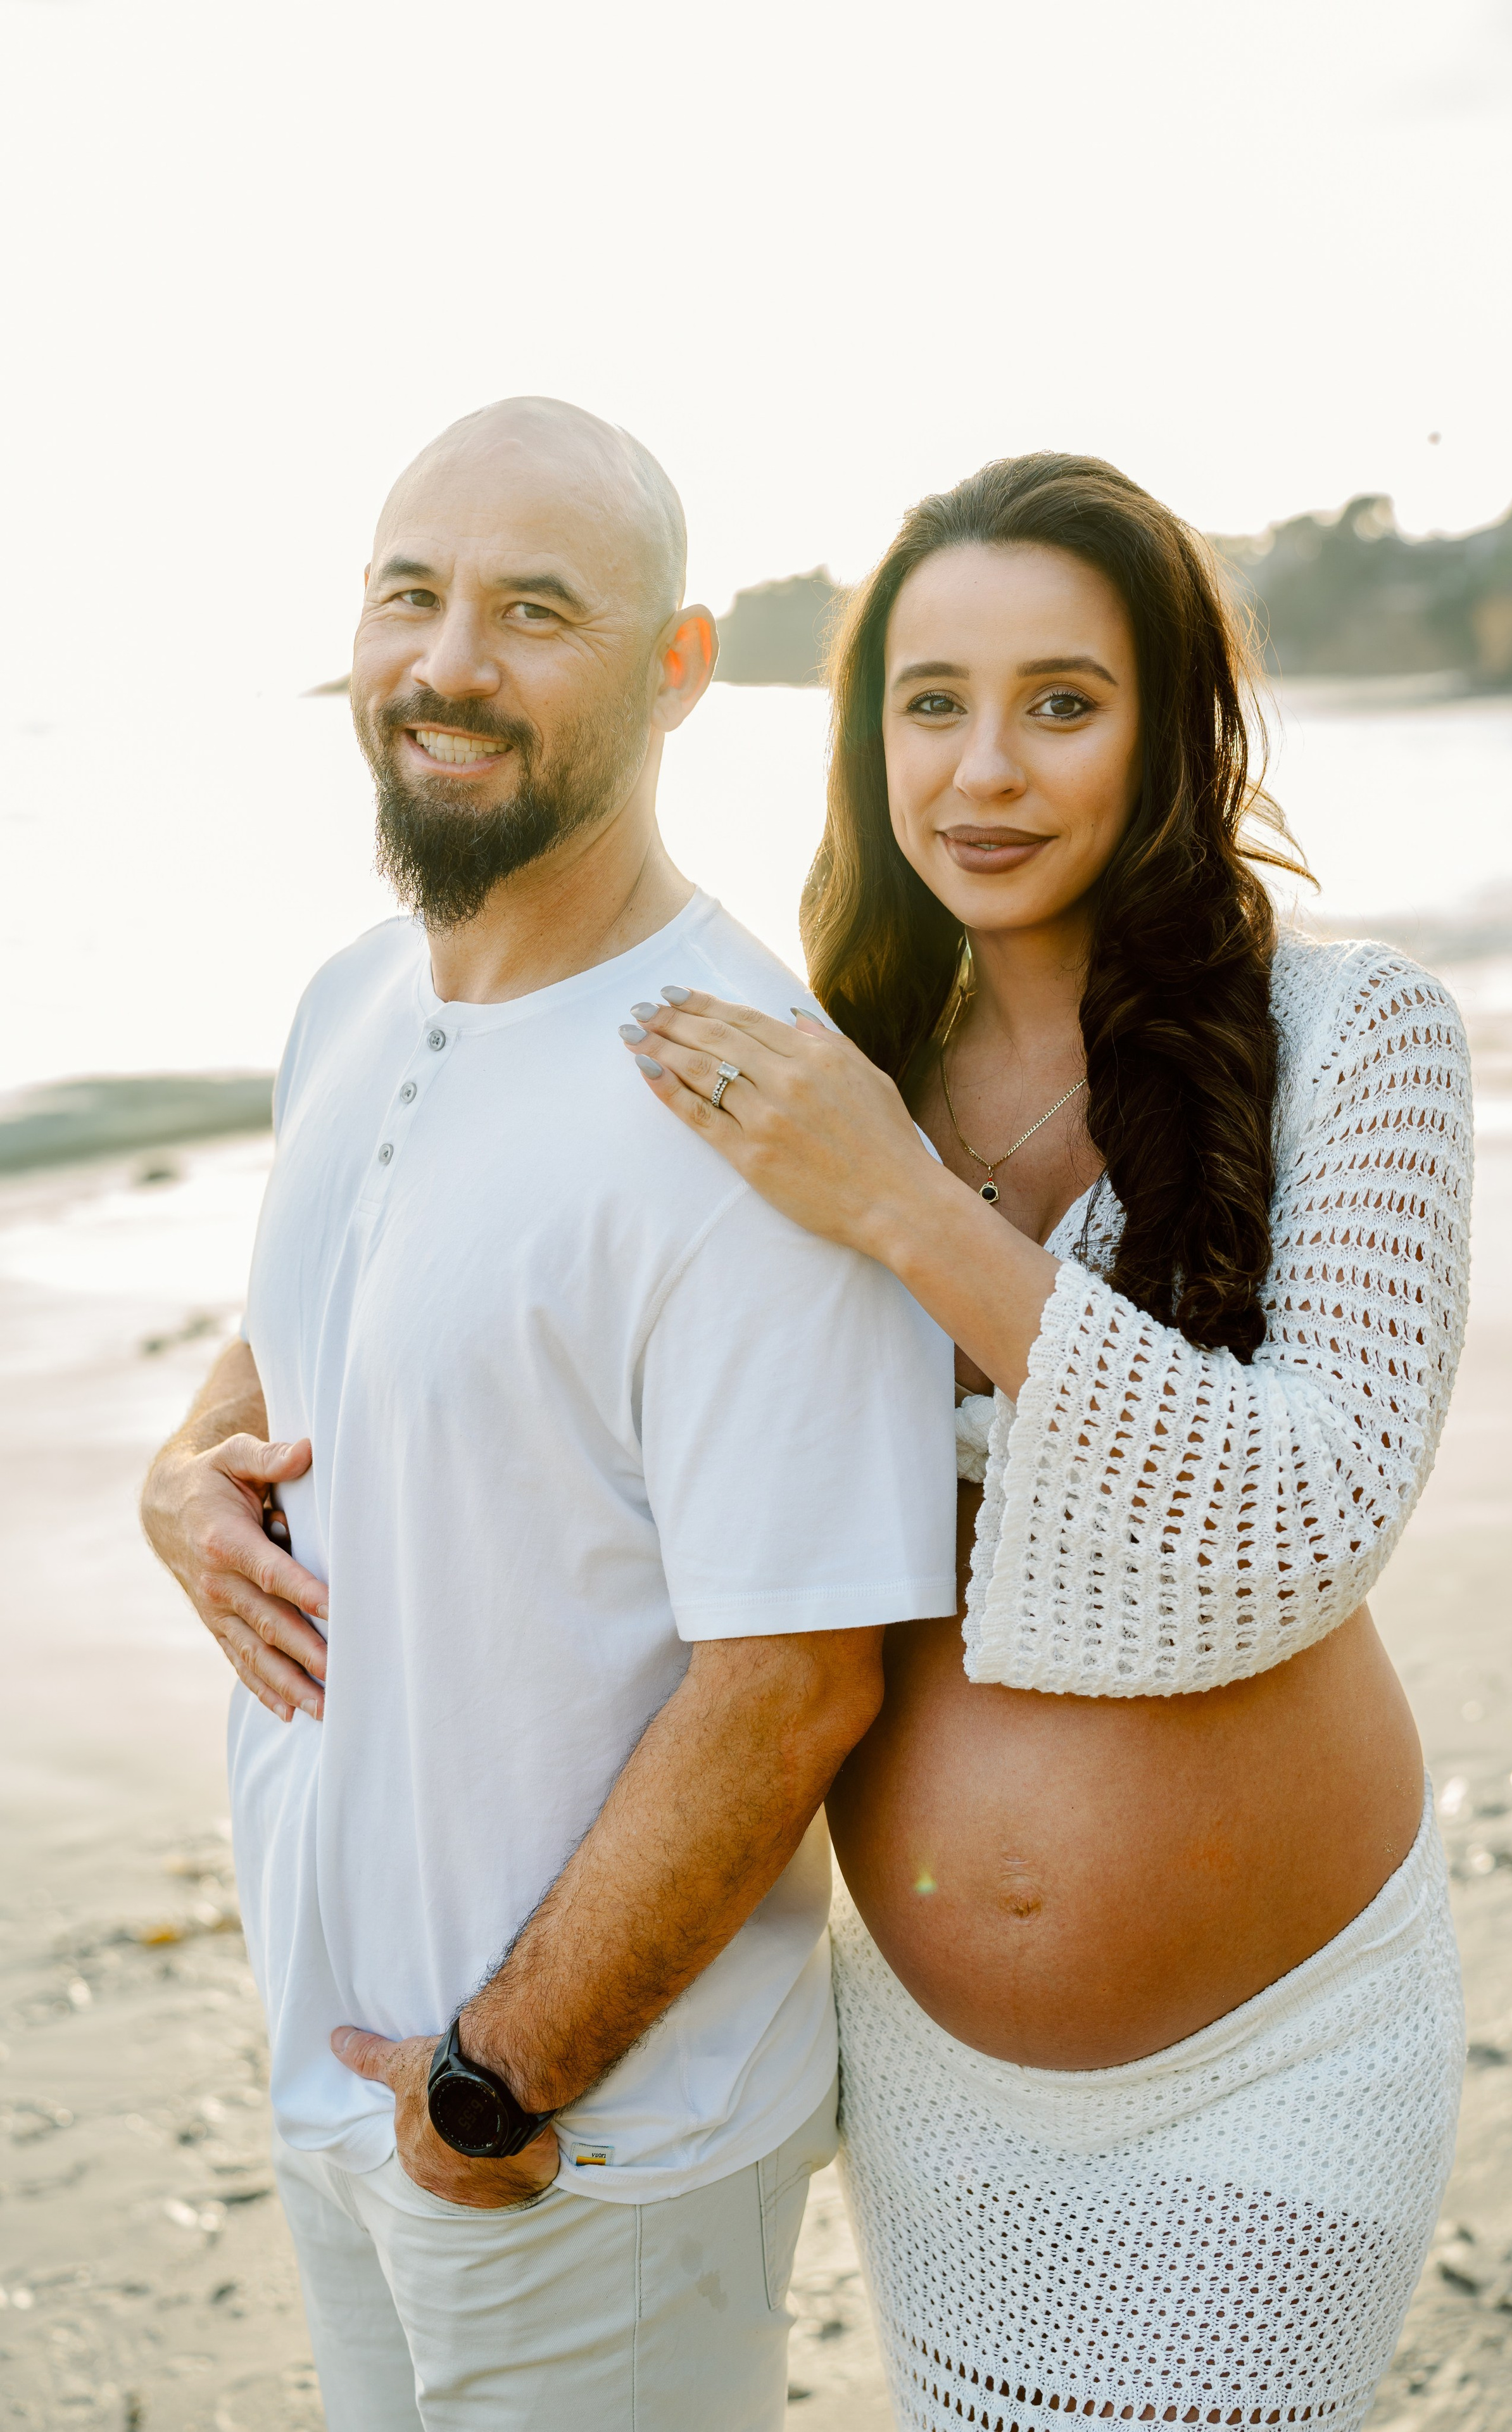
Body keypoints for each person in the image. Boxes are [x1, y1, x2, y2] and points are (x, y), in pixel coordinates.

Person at [621, 452, 1472, 2431]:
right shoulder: (816, 1057)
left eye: (1061, 703)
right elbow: (496, 1259)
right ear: (866, 737)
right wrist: (208, 1447)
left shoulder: (1364, 1038)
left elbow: (1301, 1513)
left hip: (1279, 2067)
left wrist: (905, 1212)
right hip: (929, 2080)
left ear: (1168, 729)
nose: (984, 770)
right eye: (934, 703)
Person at [139, 396, 957, 2431]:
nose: (448, 663)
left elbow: (794, 1679)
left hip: (588, 2137)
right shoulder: (355, 997)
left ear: (680, 671)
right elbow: (347, 1319)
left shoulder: (742, 1092)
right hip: (352, 2075)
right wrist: (179, 1472)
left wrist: (504, 2078)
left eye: (535, 612)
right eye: (411, 595)